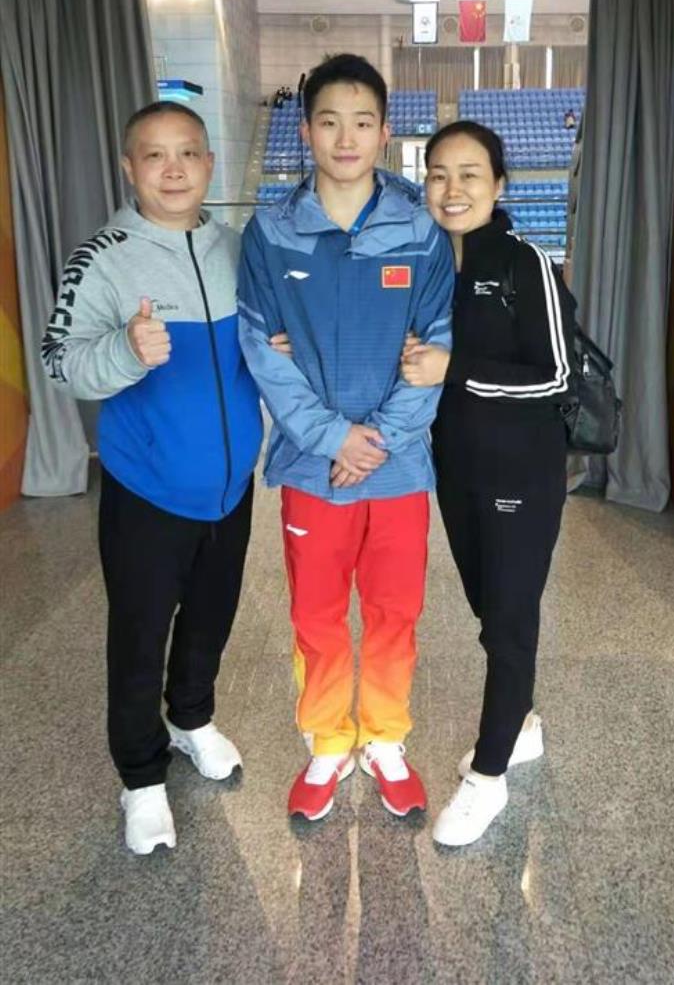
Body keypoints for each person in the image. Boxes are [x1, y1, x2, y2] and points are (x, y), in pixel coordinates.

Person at [41, 101, 262, 854]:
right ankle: (140, 776)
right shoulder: (103, 257)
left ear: (209, 164)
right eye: (155, 155)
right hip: (148, 491)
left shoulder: (236, 248)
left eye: (188, 153)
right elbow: (61, 362)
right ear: (129, 168)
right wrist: (127, 350)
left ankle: (191, 718)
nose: (173, 169)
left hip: (231, 488)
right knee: (139, 635)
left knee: (211, 617)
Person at [238, 54, 454, 822]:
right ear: (306, 131)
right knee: (317, 613)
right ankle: (329, 740)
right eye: (329, 121)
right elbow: (261, 347)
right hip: (311, 465)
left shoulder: (420, 231)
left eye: (362, 121)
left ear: (385, 130)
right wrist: (333, 438)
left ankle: (386, 737)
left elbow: (437, 347)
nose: (346, 137)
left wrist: (377, 441)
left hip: (398, 468)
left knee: (395, 610)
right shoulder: (270, 233)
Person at [401, 120, 576, 847]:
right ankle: (522, 722)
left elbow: (557, 374)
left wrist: (456, 369)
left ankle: (490, 774)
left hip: (520, 470)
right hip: (456, 467)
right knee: (487, 608)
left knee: (508, 620)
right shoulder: (426, 264)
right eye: (438, 173)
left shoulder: (524, 262)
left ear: (499, 185)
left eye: (470, 174)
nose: (452, 189)